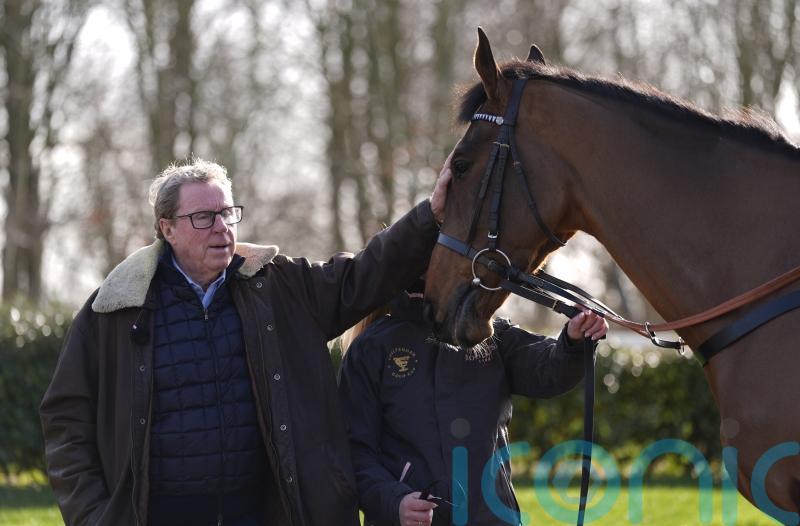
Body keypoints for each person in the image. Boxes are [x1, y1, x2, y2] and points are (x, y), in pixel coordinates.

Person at [40, 157, 451, 526]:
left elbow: (362, 274)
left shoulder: (280, 286)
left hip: (260, 512)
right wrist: (92, 517)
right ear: (168, 229)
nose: (221, 227)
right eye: (204, 217)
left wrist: (430, 215)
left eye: (227, 214)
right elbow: (66, 420)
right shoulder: (115, 308)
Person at [338, 280, 608, 526]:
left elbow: (549, 371)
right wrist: (394, 502)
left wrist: (573, 341)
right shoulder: (371, 348)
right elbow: (354, 451)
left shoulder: (490, 334)